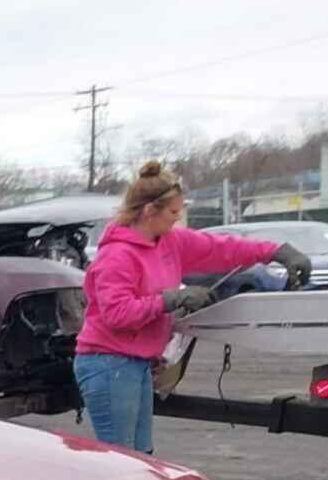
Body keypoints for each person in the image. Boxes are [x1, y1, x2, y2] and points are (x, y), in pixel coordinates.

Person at [74, 160, 311, 453]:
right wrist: (171, 299)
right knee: (122, 460)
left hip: (135, 363)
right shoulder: (117, 256)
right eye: (173, 212)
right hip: (109, 363)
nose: (177, 218)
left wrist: (276, 252)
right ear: (149, 210)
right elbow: (116, 314)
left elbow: (223, 248)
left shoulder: (169, 242)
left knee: (142, 458)